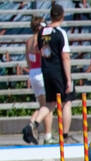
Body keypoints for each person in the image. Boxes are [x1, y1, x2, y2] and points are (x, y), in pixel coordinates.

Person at [39, 3, 74, 143]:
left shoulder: (42, 32)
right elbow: (65, 57)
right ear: (62, 15)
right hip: (58, 70)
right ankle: (64, 134)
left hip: (46, 69)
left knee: (50, 102)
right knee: (66, 102)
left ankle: (33, 122)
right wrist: (69, 79)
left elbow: (40, 49)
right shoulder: (60, 33)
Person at [22, 16, 53, 144]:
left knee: (42, 105)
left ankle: (33, 126)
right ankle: (47, 134)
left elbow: (28, 61)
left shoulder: (28, 41)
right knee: (48, 106)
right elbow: (46, 54)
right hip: (41, 71)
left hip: (33, 72)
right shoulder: (39, 40)